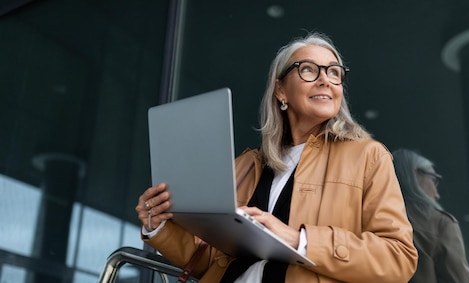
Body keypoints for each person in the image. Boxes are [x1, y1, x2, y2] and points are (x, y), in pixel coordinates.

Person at [135, 32, 418, 283]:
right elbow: (210, 261)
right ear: (280, 89)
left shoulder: (368, 157)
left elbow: (399, 258)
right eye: (309, 69)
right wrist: (157, 225)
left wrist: (299, 240)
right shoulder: (245, 166)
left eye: (334, 72)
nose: (325, 80)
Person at [391, 148, 469, 283]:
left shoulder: (363, 223)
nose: (437, 194)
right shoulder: (440, 224)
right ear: (416, 174)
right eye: (433, 179)